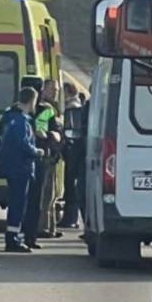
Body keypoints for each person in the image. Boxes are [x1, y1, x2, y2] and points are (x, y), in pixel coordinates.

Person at [0, 88, 42, 252]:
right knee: (18, 204)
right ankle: (13, 240)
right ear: (32, 101)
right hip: (20, 168)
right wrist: (36, 151)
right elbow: (23, 144)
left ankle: (14, 237)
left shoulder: (9, 117)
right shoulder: (21, 121)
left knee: (15, 203)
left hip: (11, 167)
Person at [35, 79, 64, 240]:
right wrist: (52, 136)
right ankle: (44, 227)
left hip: (52, 156)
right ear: (43, 90)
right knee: (47, 194)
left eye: (57, 89)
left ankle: (51, 227)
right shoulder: (46, 108)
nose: (55, 92)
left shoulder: (51, 107)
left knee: (52, 194)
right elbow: (40, 127)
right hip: (47, 155)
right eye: (52, 89)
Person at [59, 81, 88, 228]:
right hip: (76, 152)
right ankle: (71, 217)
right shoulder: (76, 106)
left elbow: (72, 132)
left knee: (72, 185)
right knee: (72, 186)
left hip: (75, 152)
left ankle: (71, 218)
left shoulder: (72, 108)